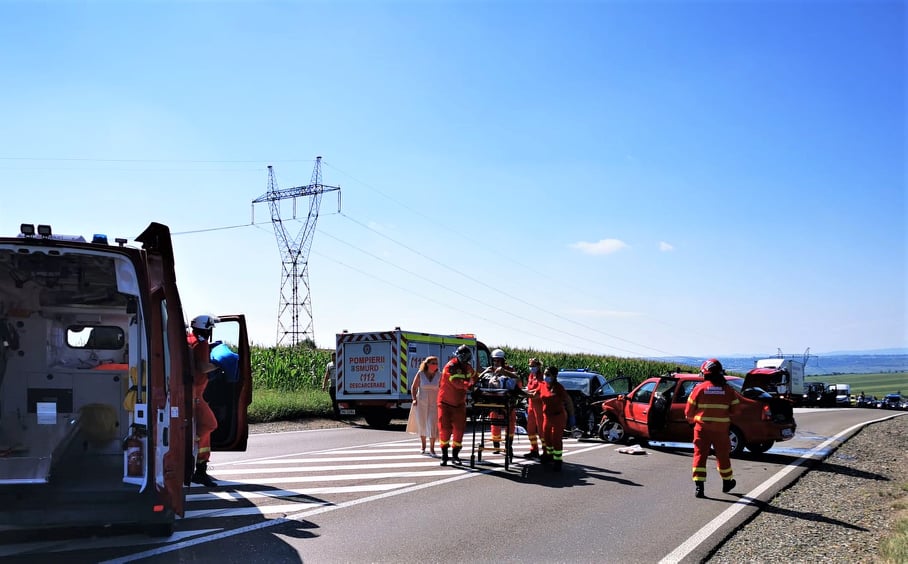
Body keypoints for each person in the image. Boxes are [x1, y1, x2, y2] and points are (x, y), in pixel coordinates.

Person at [685, 358, 741, 498]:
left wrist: (693, 422)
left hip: (701, 429)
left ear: (705, 373)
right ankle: (727, 482)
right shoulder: (728, 390)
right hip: (721, 430)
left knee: (700, 456)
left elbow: (688, 412)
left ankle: (699, 487)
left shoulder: (699, 389)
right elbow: (736, 411)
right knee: (723, 456)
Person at [187, 314, 220, 487]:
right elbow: (202, 366)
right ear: (206, 329)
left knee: (202, 430)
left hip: (189, 393)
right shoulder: (201, 344)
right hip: (195, 396)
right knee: (209, 424)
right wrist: (218, 365)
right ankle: (191, 445)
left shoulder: (188, 339)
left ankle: (200, 468)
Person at [437, 345, 477, 466]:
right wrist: (468, 385)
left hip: (459, 404)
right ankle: (444, 456)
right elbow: (455, 382)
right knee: (445, 430)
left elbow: (474, 375)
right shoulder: (451, 366)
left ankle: (455, 455)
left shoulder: (467, 366)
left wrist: (475, 381)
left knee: (459, 430)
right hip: (445, 403)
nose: (466, 360)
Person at [535, 365, 575, 471]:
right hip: (547, 416)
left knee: (556, 439)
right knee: (547, 438)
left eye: (548, 375)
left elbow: (568, 401)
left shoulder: (559, 388)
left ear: (554, 376)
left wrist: (572, 416)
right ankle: (549, 455)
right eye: (545, 374)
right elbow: (534, 394)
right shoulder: (542, 385)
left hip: (558, 417)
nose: (545, 376)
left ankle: (558, 460)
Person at [482, 348, 519, 456]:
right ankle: (496, 446)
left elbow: (517, 380)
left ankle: (509, 445)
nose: (495, 363)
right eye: (494, 360)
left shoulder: (510, 369)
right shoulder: (490, 370)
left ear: (502, 361)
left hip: (508, 402)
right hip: (494, 402)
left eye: (498, 361)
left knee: (511, 424)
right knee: (494, 425)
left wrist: (504, 372)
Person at [411, 356, 440, 456]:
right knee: (422, 423)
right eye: (433, 363)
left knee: (432, 424)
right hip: (421, 402)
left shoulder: (439, 375)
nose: (435, 365)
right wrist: (414, 399)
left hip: (434, 403)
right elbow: (414, 387)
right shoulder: (420, 373)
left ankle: (432, 448)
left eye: (436, 363)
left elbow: (443, 388)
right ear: (427, 364)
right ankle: (423, 445)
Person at [522, 358, 545, 458]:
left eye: (533, 366)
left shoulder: (542, 376)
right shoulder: (531, 375)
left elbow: (540, 390)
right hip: (531, 404)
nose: (531, 368)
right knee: (530, 428)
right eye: (530, 366)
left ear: (538, 366)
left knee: (541, 429)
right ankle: (534, 449)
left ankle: (546, 451)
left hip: (539, 404)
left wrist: (528, 393)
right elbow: (529, 388)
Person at [321, 351, 340, 419]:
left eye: (334, 356)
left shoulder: (340, 363)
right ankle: (337, 415)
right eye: (332, 356)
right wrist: (324, 385)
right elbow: (327, 376)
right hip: (332, 385)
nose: (333, 358)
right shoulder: (329, 365)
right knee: (334, 401)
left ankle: (340, 414)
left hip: (339, 386)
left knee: (338, 401)